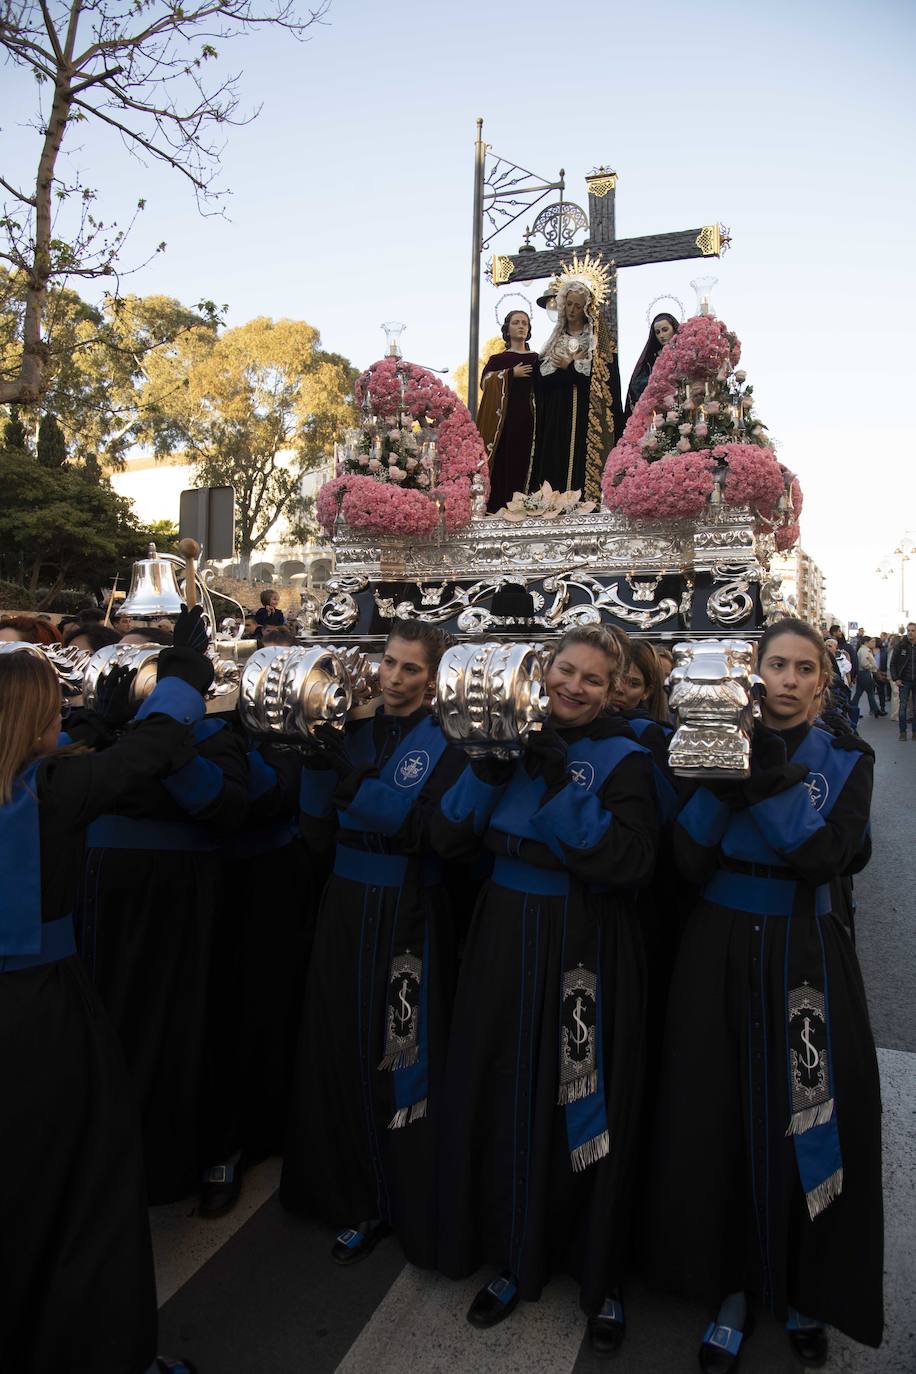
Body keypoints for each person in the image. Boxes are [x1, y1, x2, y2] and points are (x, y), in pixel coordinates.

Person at [644, 618, 883, 1367]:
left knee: (809, 1116)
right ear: (755, 675)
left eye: (801, 668)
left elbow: (826, 856)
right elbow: (685, 857)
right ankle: (731, 1287)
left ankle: (808, 1288)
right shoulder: (710, 738)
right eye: (773, 665)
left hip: (805, 954)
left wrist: (764, 777)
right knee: (717, 1115)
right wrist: (726, 774)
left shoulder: (849, 755)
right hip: (717, 945)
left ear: (822, 679)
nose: (785, 680)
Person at [431, 625, 658, 1354]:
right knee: (505, 1088)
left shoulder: (627, 755)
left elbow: (627, 862)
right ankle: (510, 1251)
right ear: (544, 667)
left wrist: (560, 779)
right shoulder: (499, 736)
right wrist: (490, 771)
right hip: (503, 936)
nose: (575, 687)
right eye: (567, 670)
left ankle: (599, 1270)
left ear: (614, 687)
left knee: (583, 1095)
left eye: (594, 679)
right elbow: (446, 837)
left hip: (584, 942)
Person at [0, 643, 206, 1374]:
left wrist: (98, 717)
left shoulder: (45, 783)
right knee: (90, 1185)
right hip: (41, 1014)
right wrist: (182, 677)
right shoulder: (53, 791)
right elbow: (157, 747)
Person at [280, 620, 464, 1270]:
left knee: (400, 1051)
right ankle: (350, 1191)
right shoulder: (350, 730)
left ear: (434, 678)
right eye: (389, 662)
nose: (394, 676)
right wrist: (310, 767)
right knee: (338, 1041)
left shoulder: (449, 742)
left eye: (411, 669)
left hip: (407, 909)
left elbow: (424, 829)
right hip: (345, 904)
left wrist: (350, 782)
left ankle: (402, 1198)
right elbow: (314, 835)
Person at [76, 605, 250, 1213]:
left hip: (178, 896)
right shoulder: (95, 728)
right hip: (101, 896)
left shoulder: (208, 727)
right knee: (104, 1031)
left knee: (192, 1023)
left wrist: (172, 750)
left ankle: (213, 1153)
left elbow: (227, 807)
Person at [531, 266, 617, 503]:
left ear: (586, 308)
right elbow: (540, 376)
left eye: (577, 306)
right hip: (556, 411)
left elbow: (604, 377)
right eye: (568, 304)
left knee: (579, 455)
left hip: (584, 414)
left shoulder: (595, 339)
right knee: (554, 454)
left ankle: (582, 501)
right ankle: (550, 502)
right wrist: (567, 368)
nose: (571, 310)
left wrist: (570, 367)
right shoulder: (555, 338)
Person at [476, 310, 539, 512]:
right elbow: (485, 382)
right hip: (503, 423)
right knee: (504, 463)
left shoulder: (537, 358)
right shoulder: (498, 360)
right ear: (507, 329)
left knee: (527, 462)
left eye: (525, 323)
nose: (521, 326)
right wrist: (510, 374)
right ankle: (499, 509)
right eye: (516, 323)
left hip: (531, 421)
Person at [624, 313, 680, 419]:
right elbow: (638, 384)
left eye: (665, 330)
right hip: (659, 411)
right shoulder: (652, 360)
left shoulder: (685, 354)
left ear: (674, 329)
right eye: (657, 332)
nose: (661, 335)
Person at [890, 622, 916, 740]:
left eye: (913, 630)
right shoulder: (901, 645)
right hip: (904, 681)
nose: (910, 632)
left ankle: (915, 732)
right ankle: (903, 732)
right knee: (903, 707)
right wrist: (896, 678)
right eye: (909, 630)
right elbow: (893, 663)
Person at [851, 636, 880, 719]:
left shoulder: (863, 650)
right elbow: (864, 664)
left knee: (860, 693)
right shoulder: (864, 651)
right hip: (865, 673)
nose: (873, 643)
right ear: (866, 642)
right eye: (871, 642)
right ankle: (876, 710)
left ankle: (875, 710)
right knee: (869, 693)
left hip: (863, 674)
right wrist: (872, 666)